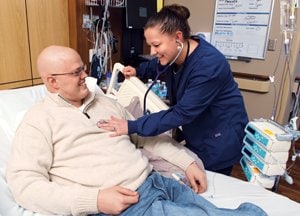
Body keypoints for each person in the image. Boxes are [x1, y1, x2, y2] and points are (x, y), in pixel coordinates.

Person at [5, 45, 267, 216]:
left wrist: (187, 163)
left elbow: (145, 138)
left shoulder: (104, 102)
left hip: (157, 182)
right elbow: (26, 186)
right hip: (129, 205)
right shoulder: (38, 121)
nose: (85, 75)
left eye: (83, 68)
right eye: (76, 72)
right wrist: (94, 200)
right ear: (52, 83)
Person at [98, 4, 249, 176]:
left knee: (209, 183)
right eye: (150, 46)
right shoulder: (174, 55)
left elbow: (181, 113)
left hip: (219, 136)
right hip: (198, 130)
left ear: (178, 37)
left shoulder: (209, 65)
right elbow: (156, 64)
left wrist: (131, 126)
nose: (152, 52)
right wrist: (138, 70)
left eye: (156, 45)